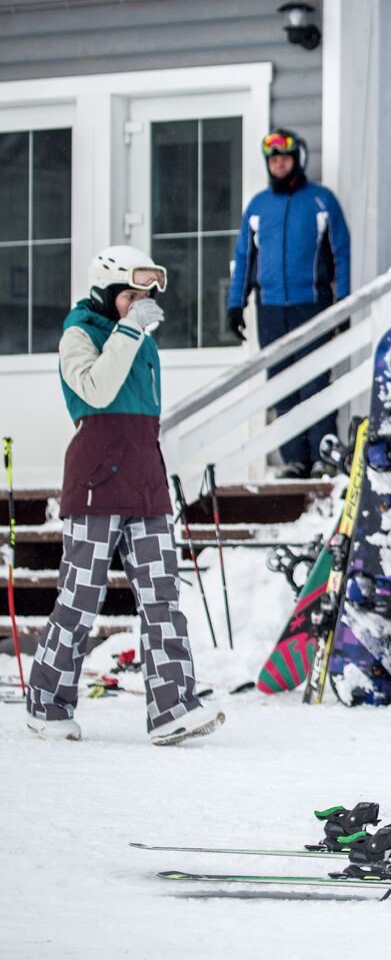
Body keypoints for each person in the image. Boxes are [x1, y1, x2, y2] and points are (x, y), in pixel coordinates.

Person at [26, 246, 224, 745]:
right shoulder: (79, 334)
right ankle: (46, 704)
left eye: (146, 296)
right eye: (132, 295)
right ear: (108, 290)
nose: (141, 304)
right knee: (80, 599)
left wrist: (134, 331)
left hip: (145, 483)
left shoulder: (140, 340)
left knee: (163, 599)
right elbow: (95, 390)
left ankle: (172, 707)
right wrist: (131, 330)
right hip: (95, 483)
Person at [227, 128, 351, 479]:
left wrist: (344, 302)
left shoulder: (321, 201)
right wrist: (235, 303)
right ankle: (295, 460)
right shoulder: (258, 206)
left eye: (285, 158)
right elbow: (244, 255)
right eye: (273, 159)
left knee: (315, 382)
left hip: (312, 304)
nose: (279, 164)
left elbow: (341, 251)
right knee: (282, 384)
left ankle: (323, 457)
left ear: (298, 160)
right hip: (270, 309)